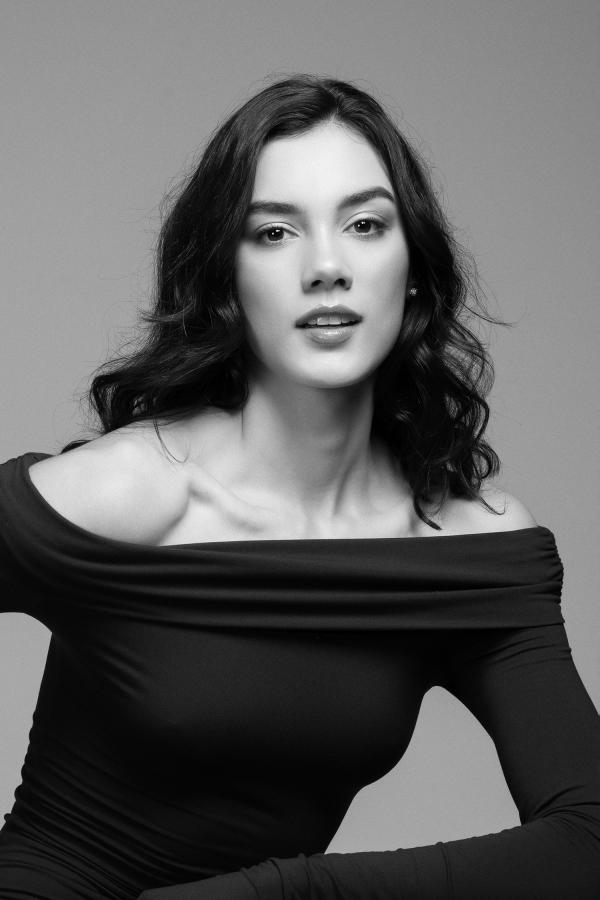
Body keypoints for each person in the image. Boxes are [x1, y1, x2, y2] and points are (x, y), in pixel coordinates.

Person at [0, 74, 598, 900]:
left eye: (364, 225)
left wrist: (281, 893)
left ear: (414, 269)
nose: (326, 267)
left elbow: (589, 841)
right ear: (227, 276)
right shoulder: (134, 491)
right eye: (275, 232)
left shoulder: (467, 550)